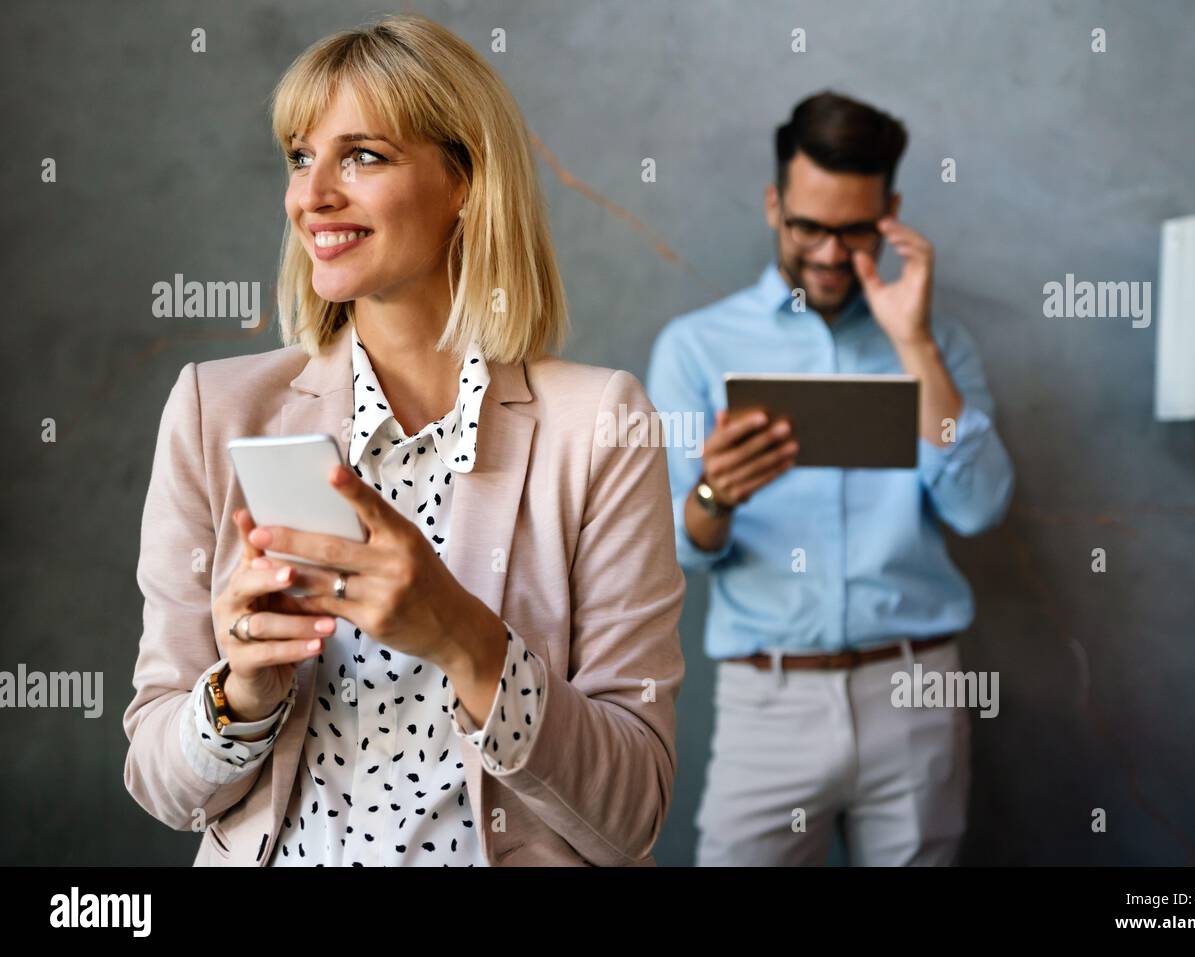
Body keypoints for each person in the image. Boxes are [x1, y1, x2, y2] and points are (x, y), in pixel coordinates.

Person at [124, 13, 685, 867]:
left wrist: (463, 635)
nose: (311, 196)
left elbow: (635, 808)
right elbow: (160, 783)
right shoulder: (215, 409)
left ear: (465, 179)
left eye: (363, 155)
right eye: (301, 156)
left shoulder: (602, 423)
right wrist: (241, 693)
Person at [646, 91, 1014, 866]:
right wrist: (715, 495)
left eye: (854, 231)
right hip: (768, 697)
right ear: (775, 204)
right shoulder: (696, 347)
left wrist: (912, 345)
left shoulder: (939, 346)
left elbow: (980, 506)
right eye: (808, 226)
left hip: (917, 689)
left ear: (891, 214)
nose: (826, 252)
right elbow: (679, 549)